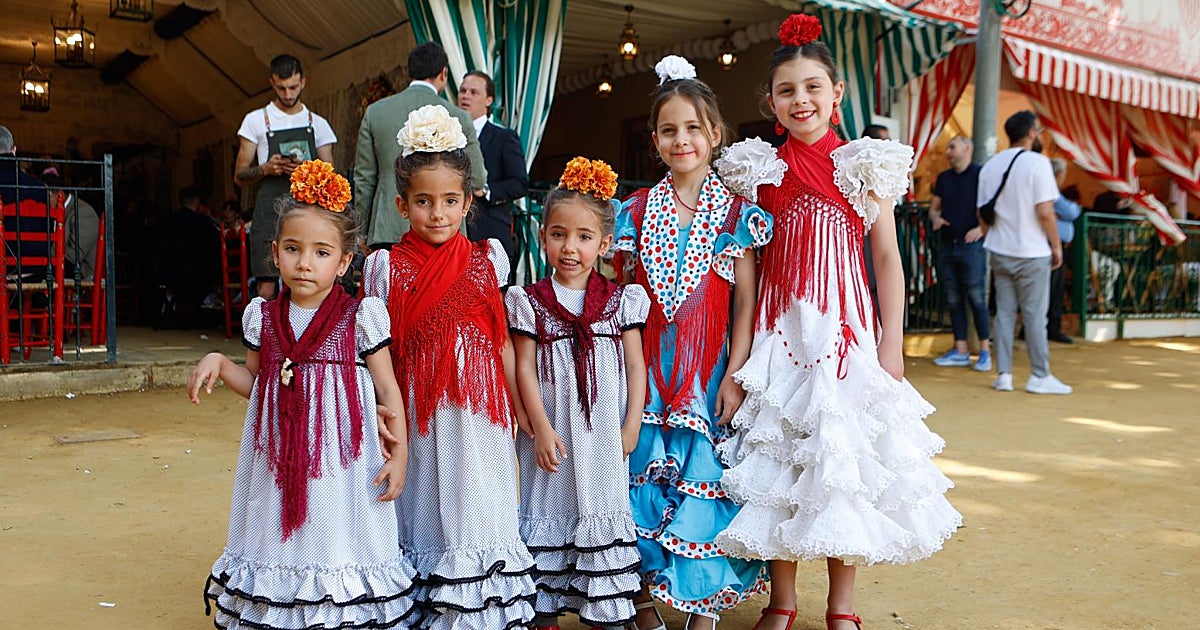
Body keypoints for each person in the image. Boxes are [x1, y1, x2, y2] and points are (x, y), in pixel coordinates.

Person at [712, 16, 962, 630]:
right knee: (781, 461)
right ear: (770, 102)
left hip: (846, 334)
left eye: (813, 87)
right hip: (780, 336)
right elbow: (747, 270)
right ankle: (783, 600)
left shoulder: (863, 165)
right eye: (788, 90)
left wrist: (891, 343)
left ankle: (842, 607)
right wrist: (742, 362)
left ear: (836, 93)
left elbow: (886, 260)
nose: (801, 99)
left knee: (841, 463)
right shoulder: (757, 172)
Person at [187, 160, 417, 629]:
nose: (305, 263)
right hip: (276, 460)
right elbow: (259, 387)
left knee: (334, 535)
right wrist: (221, 364)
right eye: (293, 249)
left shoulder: (360, 318)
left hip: (341, 464)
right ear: (275, 253)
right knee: (283, 537)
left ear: (346, 260)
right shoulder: (264, 317)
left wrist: (400, 454)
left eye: (321, 252)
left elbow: (389, 390)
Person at [361, 104, 536, 628]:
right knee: (427, 502)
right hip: (418, 410)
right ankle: (429, 600)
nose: (437, 213)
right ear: (401, 204)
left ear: (468, 202)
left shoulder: (489, 260)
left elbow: (501, 343)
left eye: (450, 201)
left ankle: (480, 604)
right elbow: (378, 353)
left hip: (482, 413)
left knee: (478, 497)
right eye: (423, 202)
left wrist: (522, 407)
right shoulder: (385, 267)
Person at [612, 55, 771, 630]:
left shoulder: (738, 214)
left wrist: (736, 373)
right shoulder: (631, 212)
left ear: (715, 134)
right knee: (640, 485)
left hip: (707, 373)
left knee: (704, 484)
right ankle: (643, 604)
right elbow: (623, 300)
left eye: (693, 128)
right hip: (648, 371)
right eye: (669, 129)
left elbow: (746, 302)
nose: (682, 140)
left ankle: (701, 613)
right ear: (655, 140)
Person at [507, 157, 648, 630]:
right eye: (559, 234)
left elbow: (635, 364)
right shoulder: (528, 300)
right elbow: (524, 366)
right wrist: (541, 427)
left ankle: (603, 613)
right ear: (543, 234)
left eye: (584, 237)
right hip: (553, 433)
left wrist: (631, 424)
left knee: (600, 505)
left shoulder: (621, 299)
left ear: (605, 243)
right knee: (546, 506)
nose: (571, 247)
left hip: (603, 433)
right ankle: (544, 612)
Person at [356, 42, 487, 251]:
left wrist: (361, 230)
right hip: (445, 231)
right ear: (444, 73)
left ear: (411, 71)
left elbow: (364, 178)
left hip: (387, 229)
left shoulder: (376, 112)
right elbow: (478, 177)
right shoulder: (460, 117)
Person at [978, 111, 1072, 395]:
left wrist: (991, 238)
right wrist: (1056, 245)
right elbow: (1045, 212)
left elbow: (982, 212)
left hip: (1000, 250)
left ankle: (1004, 375)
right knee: (1033, 316)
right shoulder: (1038, 164)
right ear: (1031, 133)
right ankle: (1039, 375)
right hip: (1032, 251)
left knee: (1004, 314)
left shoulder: (990, 166)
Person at [234, 54, 337, 301]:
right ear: (271, 83)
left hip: (308, 212)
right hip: (269, 212)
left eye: (292, 87)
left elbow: (332, 175)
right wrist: (266, 169)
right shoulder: (255, 121)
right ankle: (266, 339)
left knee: (308, 281)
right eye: (281, 88)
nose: (288, 94)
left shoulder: (318, 124)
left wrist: (309, 169)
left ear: (303, 82)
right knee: (266, 287)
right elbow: (240, 176)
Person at [929, 136, 991, 370]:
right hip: (948, 243)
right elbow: (934, 208)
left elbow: (992, 207)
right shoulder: (944, 178)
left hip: (972, 246)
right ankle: (961, 349)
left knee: (976, 296)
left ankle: (985, 350)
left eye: (952, 146)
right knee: (954, 299)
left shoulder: (981, 175)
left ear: (968, 148)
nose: (948, 151)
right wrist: (936, 218)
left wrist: (981, 229)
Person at [458, 70, 529, 273]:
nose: (465, 96)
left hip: (489, 229)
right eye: (463, 91)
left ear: (489, 100)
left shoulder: (504, 137)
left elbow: (520, 183)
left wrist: (486, 190)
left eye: (473, 92)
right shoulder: (449, 134)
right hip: (452, 232)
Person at [154, 187, 221, 328]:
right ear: (197, 202)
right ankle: (196, 311)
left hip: (168, 274)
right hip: (198, 276)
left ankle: (172, 309)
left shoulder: (165, 221)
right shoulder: (204, 223)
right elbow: (215, 247)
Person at [42, 173, 100, 280]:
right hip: (58, 265)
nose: (43, 201)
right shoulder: (51, 211)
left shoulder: (83, 212)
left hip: (81, 273)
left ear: (60, 194)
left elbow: (74, 255)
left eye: (47, 196)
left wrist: (43, 259)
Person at [1048, 158, 1080, 344]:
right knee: (1051, 289)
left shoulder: (1054, 192)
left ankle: (1052, 327)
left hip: (1059, 245)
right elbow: (1073, 212)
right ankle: (1051, 328)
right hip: (1053, 245)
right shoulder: (1052, 191)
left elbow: (1071, 211)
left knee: (1055, 289)